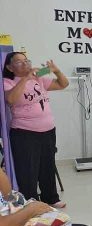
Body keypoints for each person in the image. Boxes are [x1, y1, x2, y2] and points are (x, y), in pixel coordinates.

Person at [3, 52, 69, 208]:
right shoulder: (7, 82)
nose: (25, 64)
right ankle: (30, 202)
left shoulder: (39, 78)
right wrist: (25, 78)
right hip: (25, 133)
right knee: (28, 170)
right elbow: (10, 99)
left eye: (26, 61)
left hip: (48, 130)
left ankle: (51, 198)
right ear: (9, 67)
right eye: (19, 62)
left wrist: (55, 70)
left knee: (47, 165)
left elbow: (63, 84)